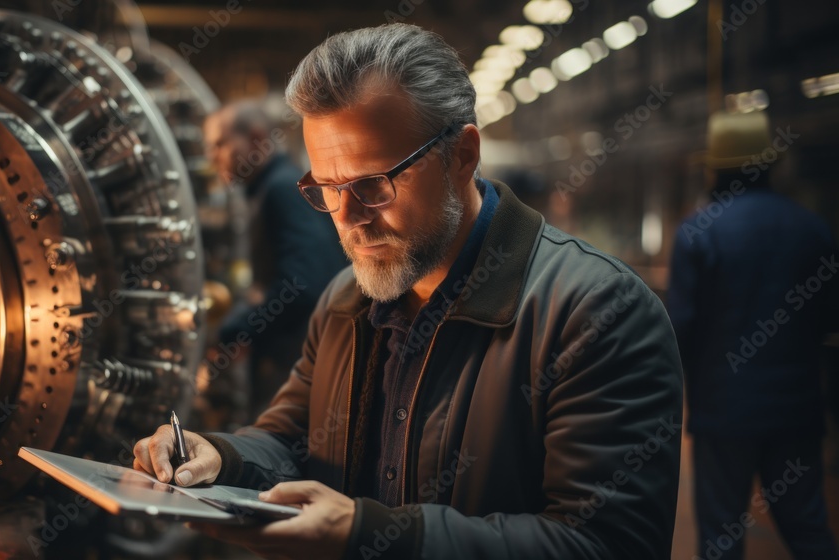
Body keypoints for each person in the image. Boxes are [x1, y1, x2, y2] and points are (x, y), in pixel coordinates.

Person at [136, 24, 683, 559]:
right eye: (327, 187)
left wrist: (375, 535)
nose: (347, 218)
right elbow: (292, 439)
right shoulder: (345, 302)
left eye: (372, 184)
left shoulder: (598, 315)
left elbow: (607, 542)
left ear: (461, 156)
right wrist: (221, 457)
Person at [666, 110, 839, 560]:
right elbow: (828, 319)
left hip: (724, 414)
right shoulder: (813, 229)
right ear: (769, 164)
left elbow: (680, 326)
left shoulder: (699, 233)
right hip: (798, 408)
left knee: (721, 535)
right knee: (808, 527)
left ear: (714, 168)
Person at [203, 100, 347, 421]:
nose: (213, 157)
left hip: (294, 362)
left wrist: (240, 329)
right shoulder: (270, 187)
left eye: (220, 144)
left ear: (256, 139)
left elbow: (304, 284)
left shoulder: (281, 188)